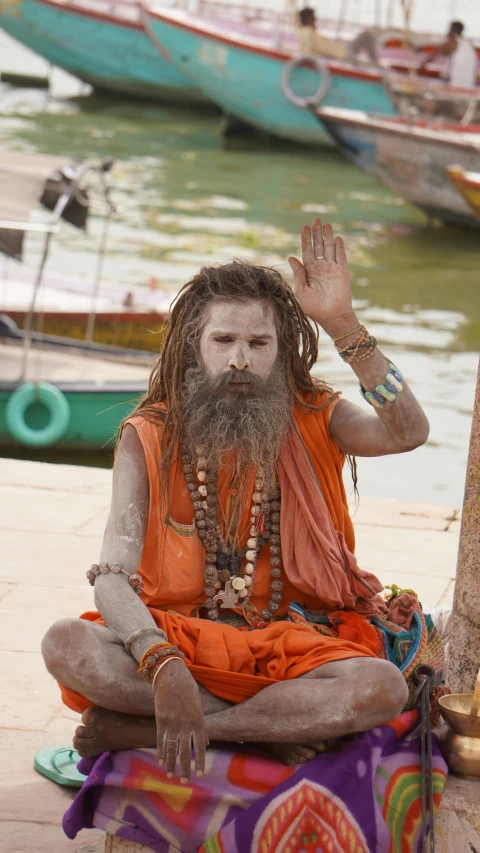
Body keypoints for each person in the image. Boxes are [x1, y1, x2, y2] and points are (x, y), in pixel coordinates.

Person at [42, 220, 431, 784]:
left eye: (258, 343)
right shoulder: (149, 434)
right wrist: (160, 660)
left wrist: (345, 326)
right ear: (194, 348)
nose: (241, 360)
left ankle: (158, 728)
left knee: (379, 688)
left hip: (294, 642)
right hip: (181, 640)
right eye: (224, 341)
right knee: (69, 645)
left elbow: (408, 431)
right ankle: (272, 728)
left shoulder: (316, 413)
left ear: (282, 350)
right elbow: (111, 576)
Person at [298, 6, 379, 65]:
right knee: (371, 65)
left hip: (344, 51)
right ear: (308, 19)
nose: (316, 20)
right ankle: (376, 63)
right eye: (313, 18)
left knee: (365, 35)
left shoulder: (311, 32)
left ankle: (375, 62)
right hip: (344, 56)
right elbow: (307, 54)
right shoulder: (307, 32)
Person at [419, 21, 478, 88]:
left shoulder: (453, 43)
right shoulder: (468, 44)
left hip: (456, 84)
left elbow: (435, 53)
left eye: (449, 29)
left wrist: (420, 68)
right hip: (469, 85)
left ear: (453, 30)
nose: (447, 33)